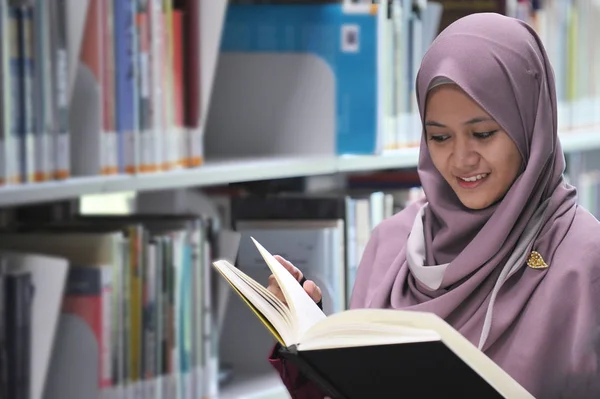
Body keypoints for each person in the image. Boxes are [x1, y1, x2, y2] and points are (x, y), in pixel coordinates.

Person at [265, 12, 600, 399]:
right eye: (439, 137)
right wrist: (309, 340)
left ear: (531, 123)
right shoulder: (390, 244)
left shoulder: (583, 258)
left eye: (483, 133)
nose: (461, 159)